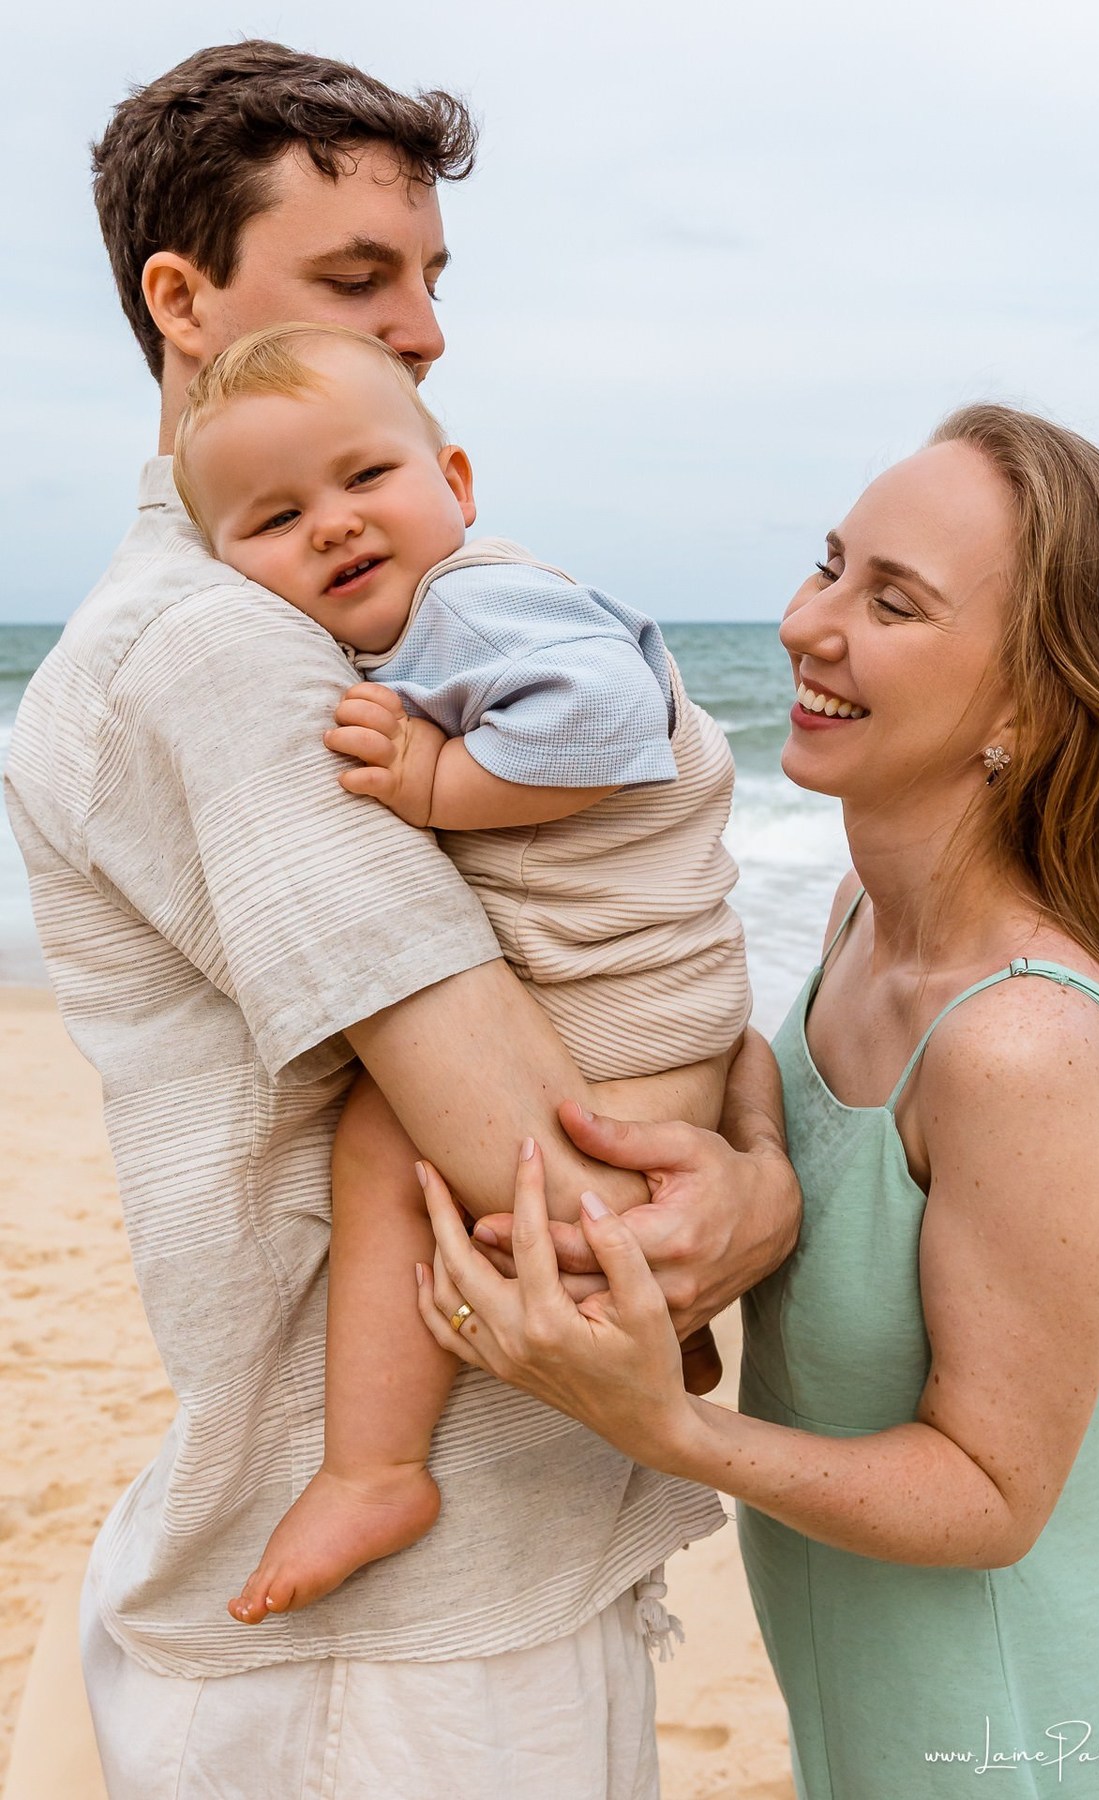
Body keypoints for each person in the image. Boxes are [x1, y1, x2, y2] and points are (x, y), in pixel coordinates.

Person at [3, 41, 799, 1799]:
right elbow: (543, 1162)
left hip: (476, 1575)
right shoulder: (220, 651)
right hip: (395, 1665)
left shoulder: (341, 614)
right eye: (361, 276)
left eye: (432, 276)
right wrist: (757, 1197)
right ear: (182, 301)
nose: (424, 325)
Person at [415, 405, 1099, 1797]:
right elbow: (788, 1105)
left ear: (1027, 709)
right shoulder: (860, 919)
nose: (802, 624)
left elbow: (993, 1497)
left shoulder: (1025, 1045)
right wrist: (758, 1170)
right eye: (831, 565)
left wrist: (669, 1429)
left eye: (891, 602)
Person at [169, 318, 750, 1621]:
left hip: (624, 997)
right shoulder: (415, 622)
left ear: (458, 484)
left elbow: (607, 715)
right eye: (276, 519)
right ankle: (674, 1336)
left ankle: (375, 1469)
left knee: (385, 1142)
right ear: (225, 570)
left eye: (366, 475)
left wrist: (438, 780)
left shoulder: (470, 600)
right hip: (651, 1002)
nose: (332, 523)